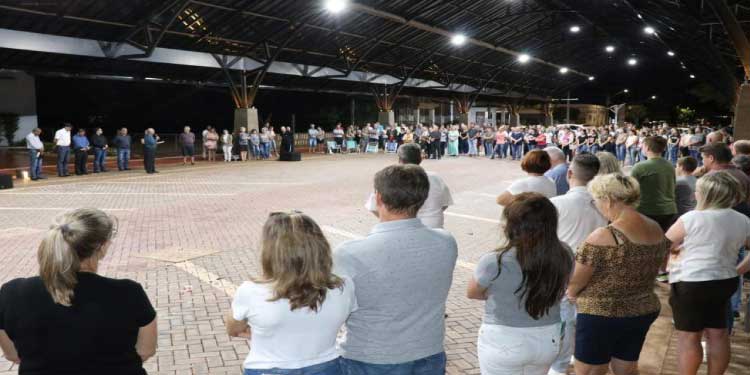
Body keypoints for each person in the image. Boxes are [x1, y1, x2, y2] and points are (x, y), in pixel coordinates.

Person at [0, 208, 157, 374]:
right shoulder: (129, 293)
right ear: (102, 246)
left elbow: (13, 355)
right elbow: (146, 350)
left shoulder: (12, 293)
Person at [335, 164, 457, 373]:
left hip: (370, 358)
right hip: (430, 353)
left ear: (379, 198)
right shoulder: (446, 242)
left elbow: (335, 310)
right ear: (423, 197)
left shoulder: (350, 253)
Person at [226, 211, 356, 375]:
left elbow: (233, 329)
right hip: (327, 367)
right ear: (320, 246)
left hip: (268, 369)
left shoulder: (251, 291)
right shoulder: (343, 286)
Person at [567, 174, 670, 375]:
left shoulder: (604, 235)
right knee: (627, 368)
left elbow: (576, 283)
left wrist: (571, 293)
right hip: (642, 309)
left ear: (608, 200)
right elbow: (662, 265)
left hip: (602, 313)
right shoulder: (655, 227)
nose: (595, 204)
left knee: (590, 370)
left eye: (595, 200)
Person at [468, 193, 573, 375]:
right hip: (547, 340)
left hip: (504, 341)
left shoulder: (495, 260)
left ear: (512, 225)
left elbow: (472, 292)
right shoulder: (564, 253)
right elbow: (562, 285)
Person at [665, 171, 750, 375]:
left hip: (691, 282)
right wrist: (739, 270)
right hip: (725, 281)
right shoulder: (742, 220)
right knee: (718, 333)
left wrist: (665, 266)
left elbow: (663, 245)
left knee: (689, 337)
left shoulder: (692, 218)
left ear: (704, 195)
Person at [548, 154, 606, 375]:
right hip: (593, 271)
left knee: (563, 321)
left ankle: (560, 367)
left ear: (569, 173)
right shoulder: (604, 205)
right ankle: (578, 356)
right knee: (583, 320)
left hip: (562, 272)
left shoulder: (556, 204)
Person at [365, 143, 453, 229]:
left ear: (399, 160)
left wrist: (390, 220)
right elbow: (445, 203)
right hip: (434, 228)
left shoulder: (389, 179)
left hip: (401, 230)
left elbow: (374, 207)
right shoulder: (436, 178)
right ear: (420, 159)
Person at [631, 136, 677, 232]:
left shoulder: (640, 167)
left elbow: (630, 189)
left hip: (647, 210)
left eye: (642, 146)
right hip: (669, 210)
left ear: (647, 148)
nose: (641, 148)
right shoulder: (670, 165)